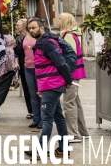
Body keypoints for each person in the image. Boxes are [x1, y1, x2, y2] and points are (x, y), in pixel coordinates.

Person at [24, 17, 72, 160]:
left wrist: (68, 79)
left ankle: (40, 150)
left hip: (52, 85)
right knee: (58, 117)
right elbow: (42, 68)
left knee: (46, 119)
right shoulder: (41, 43)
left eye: (34, 27)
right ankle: (64, 148)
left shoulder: (47, 44)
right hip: (48, 85)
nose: (31, 30)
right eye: (30, 28)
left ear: (42, 28)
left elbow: (60, 63)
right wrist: (40, 86)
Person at [59, 13, 88, 142]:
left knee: (68, 102)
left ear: (65, 21)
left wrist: (66, 75)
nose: (58, 21)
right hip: (77, 72)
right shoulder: (74, 34)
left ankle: (73, 134)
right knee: (75, 102)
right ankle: (82, 131)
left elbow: (70, 57)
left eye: (60, 19)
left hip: (72, 73)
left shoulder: (68, 36)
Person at [13, 19, 33, 120]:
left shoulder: (30, 38)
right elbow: (17, 53)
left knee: (32, 89)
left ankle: (36, 110)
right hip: (22, 65)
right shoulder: (18, 39)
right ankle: (30, 110)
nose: (16, 27)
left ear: (24, 26)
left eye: (18, 25)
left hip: (30, 66)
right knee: (26, 88)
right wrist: (16, 62)